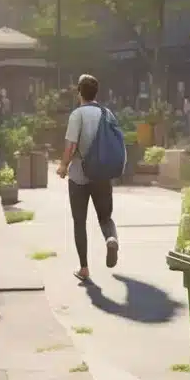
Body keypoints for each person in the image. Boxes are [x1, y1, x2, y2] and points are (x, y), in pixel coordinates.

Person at [57, 74, 120, 282]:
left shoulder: (78, 115)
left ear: (79, 93)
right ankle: (111, 238)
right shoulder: (107, 113)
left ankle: (84, 268)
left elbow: (70, 146)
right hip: (102, 175)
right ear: (96, 93)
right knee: (105, 217)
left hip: (79, 176)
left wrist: (63, 165)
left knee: (79, 222)